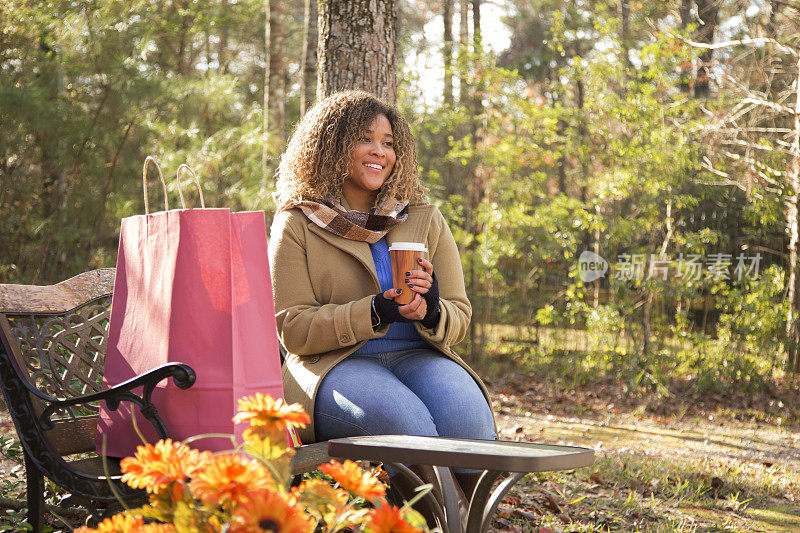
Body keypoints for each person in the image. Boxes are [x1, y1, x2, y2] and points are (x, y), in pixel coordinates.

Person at [268, 90, 496, 510]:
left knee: (470, 419)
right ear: (332, 145)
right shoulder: (297, 222)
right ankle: (451, 522)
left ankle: (473, 519)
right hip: (335, 365)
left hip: (418, 354)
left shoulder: (423, 216)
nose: (379, 152)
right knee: (406, 424)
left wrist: (432, 310)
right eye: (365, 139)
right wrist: (374, 311)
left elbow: (459, 314)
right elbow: (294, 329)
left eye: (389, 142)